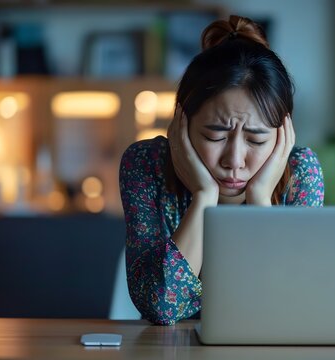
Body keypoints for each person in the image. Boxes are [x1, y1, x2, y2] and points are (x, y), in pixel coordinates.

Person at [119, 15, 324, 325]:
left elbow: (294, 307)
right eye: (215, 135)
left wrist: (260, 202)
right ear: (181, 123)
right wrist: (203, 198)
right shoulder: (146, 165)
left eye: (256, 140)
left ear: (284, 133)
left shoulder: (300, 173)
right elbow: (161, 307)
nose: (235, 159)